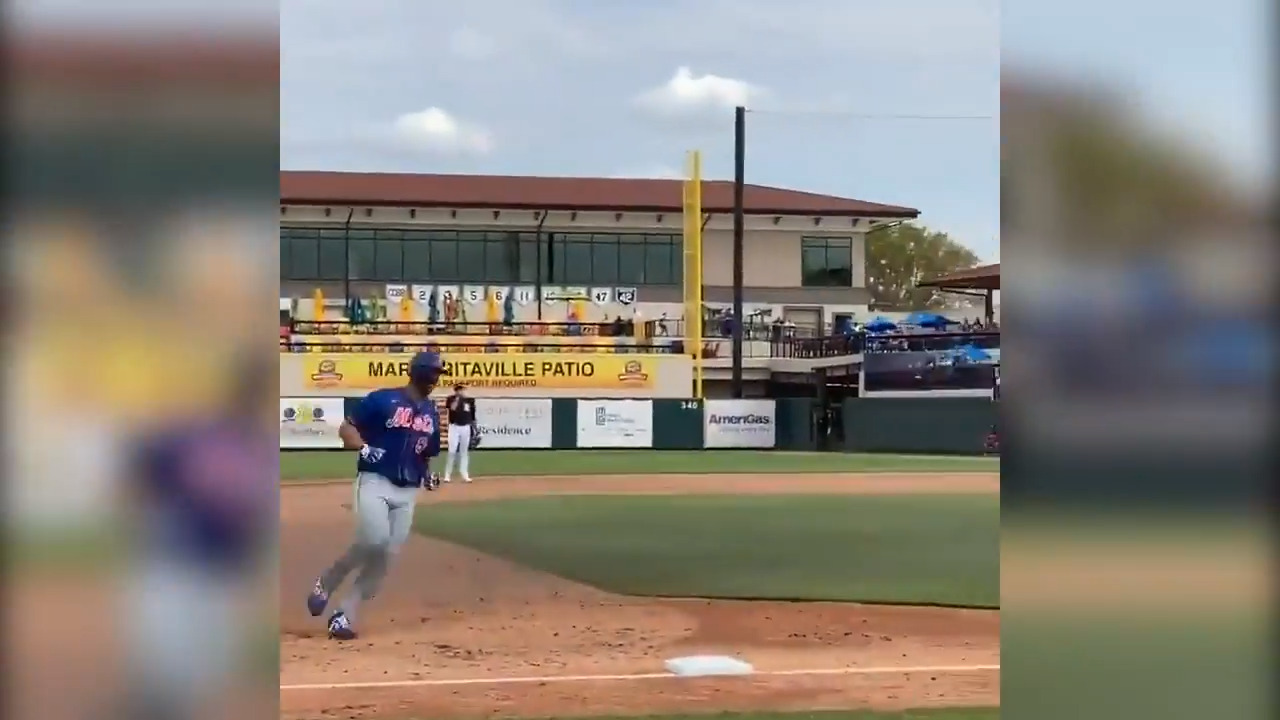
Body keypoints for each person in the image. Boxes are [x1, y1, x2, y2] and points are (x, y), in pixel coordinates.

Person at [306, 350, 445, 640]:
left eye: (437, 374)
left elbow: (426, 452)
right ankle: (327, 581)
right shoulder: (382, 399)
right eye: (431, 373)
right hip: (375, 481)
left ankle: (344, 614)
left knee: (386, 558)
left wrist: (428, 473)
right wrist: (362, 447)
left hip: (408, 491)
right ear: (415, 371)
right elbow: (347, 428)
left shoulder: (431, 412)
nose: (434, 379)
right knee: (373, 540)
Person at [441, 383, 476, 483]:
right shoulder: (451, 399)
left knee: (464, 451)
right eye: (460, 390)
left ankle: (464, 474)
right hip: (454, 427)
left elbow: (472, 416)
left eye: (464, 389)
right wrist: (457, 398)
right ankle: (448, 475)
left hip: (466, 427)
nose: (463, 391)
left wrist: (474, 428)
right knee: (452, 450)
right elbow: (451, 408)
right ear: (456, 390)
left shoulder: (470, 400)